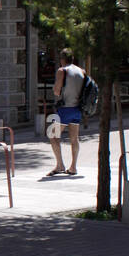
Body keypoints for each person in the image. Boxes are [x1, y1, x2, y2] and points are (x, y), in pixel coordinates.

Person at [48, 48, 85, 176]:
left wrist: (56, 88)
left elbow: (57, 91)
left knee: (52, 134)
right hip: (77, 109)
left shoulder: (62, 71)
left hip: (65, 109)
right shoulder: (81, 71)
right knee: (74, 138)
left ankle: (60, 165)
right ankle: (73, 167)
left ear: (62, 59)